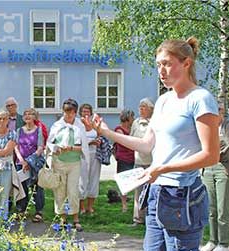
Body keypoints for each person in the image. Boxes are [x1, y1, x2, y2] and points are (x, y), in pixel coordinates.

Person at [91, 37, 220, 250]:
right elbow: (146, 144)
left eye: (167, 64)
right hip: (157, 192)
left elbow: (211, 155)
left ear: (186, 63)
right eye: (158, 64)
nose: (161, 70)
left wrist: (162, 168)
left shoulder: (200, 99)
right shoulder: (163, 101)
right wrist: (105, 132)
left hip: (182, 196)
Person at [47, 98, 90, 232]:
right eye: (66, 112)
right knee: (60, 191)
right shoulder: (57, 125)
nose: (68, 115)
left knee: (73, 191)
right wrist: (56, 148)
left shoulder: (79, 126)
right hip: (59, 162)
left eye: (71, 112)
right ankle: (62, 219)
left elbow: (83, 147)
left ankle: (75, 218)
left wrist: (70, 148)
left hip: (74, 163)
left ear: (75, 112)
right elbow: (50, 143)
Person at [201, 102, 229, 251]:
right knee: (211, 208)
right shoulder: (206, 128)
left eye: (220, 110)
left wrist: (210, 153)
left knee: (223, 209)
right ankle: (212, 240)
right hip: (207, 169)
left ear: (223, 112)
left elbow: (227, 149)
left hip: (224, 169)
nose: (217, 113)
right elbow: (201, 145)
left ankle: (224, 243)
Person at [14, 108, 45, 219]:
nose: (27, 116)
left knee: (37, 187)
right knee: (22, 187)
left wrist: (29, 160)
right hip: (20, 163)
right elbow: (16, 147)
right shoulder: (19, 131)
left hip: (34, 163)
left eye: (30, 114)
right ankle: (22, 210)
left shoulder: (39, 130)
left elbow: (40, 147)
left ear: (35, 117)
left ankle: (38, 212)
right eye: (25, 114)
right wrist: (22, 161)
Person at [130, 98, 154, 226]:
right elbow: (132, 138)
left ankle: (151, 217)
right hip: (138, 161)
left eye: (144, 106)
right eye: (140, 106)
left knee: (152, 190)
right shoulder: (136, 123)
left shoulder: (155, 122)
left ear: (150, 109)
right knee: (138, 191)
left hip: (152, 161)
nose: (141, 109)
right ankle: (138, 218)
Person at [78, 103, 102, 215]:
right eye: (84, 111)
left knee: (94, 179)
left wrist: (99, 140)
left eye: (88, 111)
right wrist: (89, 142)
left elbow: (100, 136)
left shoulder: (94, 124)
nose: (86, 113)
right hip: (82, 155)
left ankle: (90, 206)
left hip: (95, 155)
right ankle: (81, 206)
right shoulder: (77, 125)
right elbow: (76, 141)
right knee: (82, 180)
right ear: (80, 113)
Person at [113, 109, 135, 212]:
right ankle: (124, 205)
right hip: (123, 158)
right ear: (127, 118)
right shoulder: (119, 130)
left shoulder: (133, 129)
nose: (133, 119)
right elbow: (124, 142)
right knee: (124, 182)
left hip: (134, 157)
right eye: (132, 117)